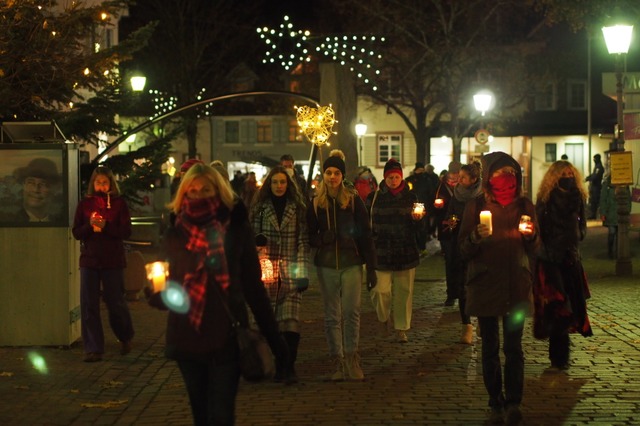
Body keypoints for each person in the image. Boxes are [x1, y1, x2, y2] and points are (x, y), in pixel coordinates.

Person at [146, 163, 289, 425]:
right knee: (201, 415)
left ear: (218, 190)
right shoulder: (175, 233)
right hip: (187, 334)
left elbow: (253, 288)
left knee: (222, 415)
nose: (199, 194)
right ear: (184, 194)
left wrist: (275, 340)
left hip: (227, 334)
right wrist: (156, 290)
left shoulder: (235, 229)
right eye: (193, 190)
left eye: (206, 189)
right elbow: (163, 289)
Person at [458, 151, 538, 425]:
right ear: (489, 178)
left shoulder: (525, 205)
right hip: (485, 284)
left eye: (510, 176)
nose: (506, 181)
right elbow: (462, 249)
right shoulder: (475, 206)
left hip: (515, 285)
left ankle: (514, 401)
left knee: (514, 348)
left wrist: (532, 235)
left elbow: (537, 248)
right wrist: (474, 237)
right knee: (490, 347)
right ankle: (495, 402)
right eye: (499, 175)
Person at [307, 151, 377, 381]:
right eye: (328, 172)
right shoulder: (316, 203)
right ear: (323, 175)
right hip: (326, 265)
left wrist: (372, 267)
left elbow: (366, 233)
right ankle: (336, 359)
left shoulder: (353, 200)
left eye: (336, 173)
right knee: (331, 315)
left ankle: (351, 357)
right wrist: (321, 239)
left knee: (351, 312)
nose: (332, 177)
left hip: (351, 263)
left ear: (342, 175)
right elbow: (309, 235)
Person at [249, 165, 310, 383]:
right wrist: (257, 244)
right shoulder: (260, 209)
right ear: (269, 184)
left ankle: (288, 366)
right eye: (275, 182)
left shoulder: (297, 208)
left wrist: (302, 272)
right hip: (266, 271)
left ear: (288, 184)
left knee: (290, 321)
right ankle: (270, 364)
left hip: (290, 271)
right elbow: (252, 237)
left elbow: (303, 242)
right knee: (268, 323)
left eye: (282, 182)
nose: (279, 186)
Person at [533, 160, 593, 373]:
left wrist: (580, 234)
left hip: (571, 256)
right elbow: (538, 225)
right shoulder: (546, 198)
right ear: (554, 176)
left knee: (570, 305)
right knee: (558, 304)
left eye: (570, 172)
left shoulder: (578, 196)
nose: (568, 176)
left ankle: (561, 354)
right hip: (550, 258)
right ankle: (558, 355)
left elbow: (582, 222)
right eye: (564, 173)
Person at [72, 166, 134, 362]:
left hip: (112, 260)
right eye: (98, 182)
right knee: (89, 303)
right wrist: (89, 225)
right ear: (93, 184)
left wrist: (107, 226)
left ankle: (124, 335)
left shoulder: (119, 204)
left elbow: (125, 231)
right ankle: (93, 347)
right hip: (90, 260)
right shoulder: (85, 204)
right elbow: (76, 232)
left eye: (105, 182)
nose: (101, 186)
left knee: (115, 301)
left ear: (111, 184)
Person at [366, 159, 424, 343]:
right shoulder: (374, 197)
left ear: (402, 177)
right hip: (380, 250)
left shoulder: (411, 197)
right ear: (384, 178)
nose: (393, 180)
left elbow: (419, 227)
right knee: (379, 290)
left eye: (396, 176)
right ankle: (383, 318)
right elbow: (366, 223)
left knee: (404, 291)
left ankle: (401, 327)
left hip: (405, 249)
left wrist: (418, 219)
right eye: (390, 177)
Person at [443, 161, 483, 344]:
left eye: (463, 177)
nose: (459, 180)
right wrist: (451, 222)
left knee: (481, 284)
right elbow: (450, 215)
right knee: (462, 286)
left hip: (481, 245)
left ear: (474, 179)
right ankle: (466, 325)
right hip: (460, 244)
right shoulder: (456, 195)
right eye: (459, 176)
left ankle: (483, 319)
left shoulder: (482, 196)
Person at [434, 160, 461, 306]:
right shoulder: (440, 187)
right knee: (450, 262)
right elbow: (433, 206)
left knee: (461, 262)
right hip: (446, 230)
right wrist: (438, 207)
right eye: (453, 173)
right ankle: (451, 293)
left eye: (458, 173)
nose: (455, 176)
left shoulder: (464, 186)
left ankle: (462, 292)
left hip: (462, 229)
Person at [13, 157, 62, 222]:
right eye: (30, 182)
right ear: (23, 185)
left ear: (55, 188)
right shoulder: (11, 220)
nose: (36, 190)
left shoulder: (59, 221)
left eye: (43, 184)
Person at [599, 173, 628, 259]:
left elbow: (628, 199)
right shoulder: (607, 185)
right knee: (612, 233)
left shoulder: (624, 185)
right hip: (610, 214)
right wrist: (603, 213)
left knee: (620, 234)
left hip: (620, 214)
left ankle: (619, 252)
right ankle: (610, 251)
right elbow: (603, 199)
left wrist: (628, 211)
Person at [585, 154, 604, 219]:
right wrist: (587, 178)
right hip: (595, 186)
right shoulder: (597, 166)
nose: (593, 160)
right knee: (593, 200)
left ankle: (594, 215)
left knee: (595, 201)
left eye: (594, 159)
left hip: (596, 186)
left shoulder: (598, 167)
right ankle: (593, 214)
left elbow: (595, 176)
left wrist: (588, 179)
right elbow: (593, 175)